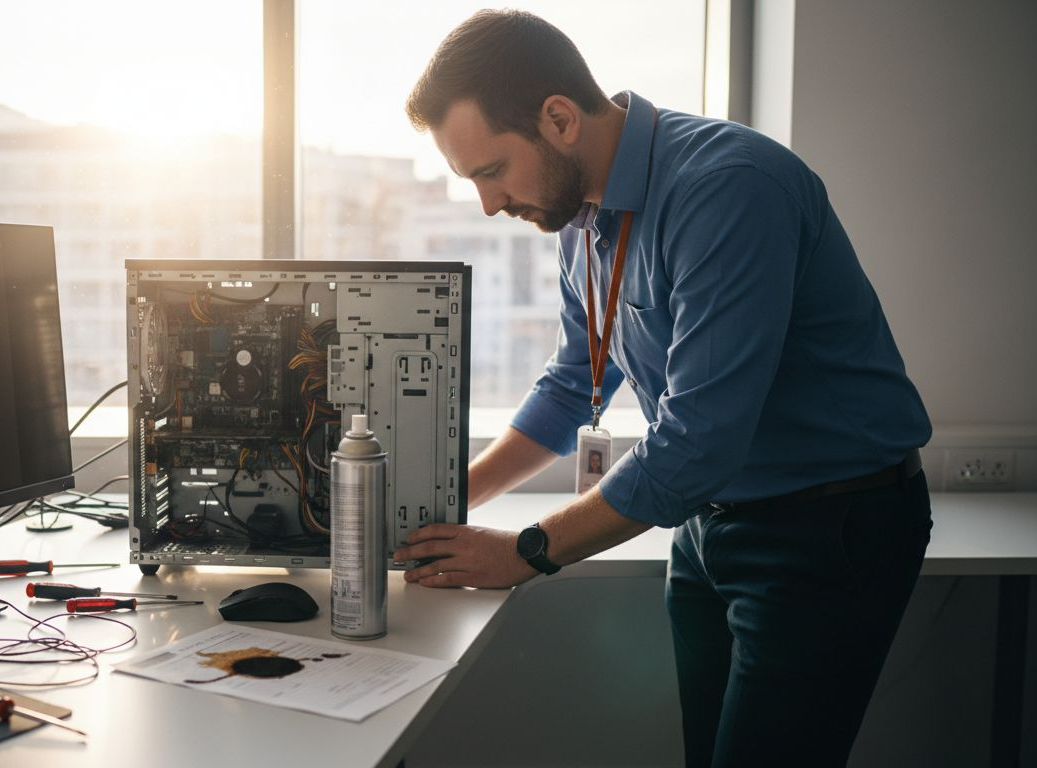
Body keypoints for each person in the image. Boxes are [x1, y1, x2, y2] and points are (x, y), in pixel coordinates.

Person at [390, 10, 933, 767]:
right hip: (708, 526)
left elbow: (696, 440)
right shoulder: (579, 217)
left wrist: (524, 550)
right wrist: (447, 505)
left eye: (491, 171)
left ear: (557, 118)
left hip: (829, 526)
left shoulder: (728, 188)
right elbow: (572, 384)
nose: (489, 204)